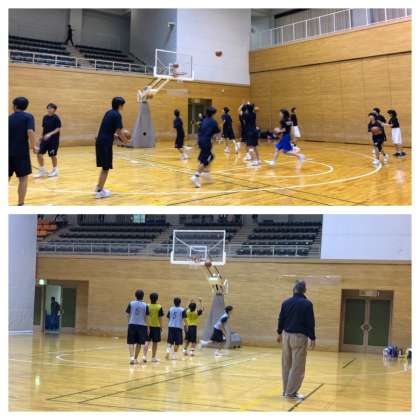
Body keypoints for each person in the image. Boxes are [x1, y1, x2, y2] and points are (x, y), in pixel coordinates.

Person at [277, 280, 315, 400]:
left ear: (294, 290)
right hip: (299, 337)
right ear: (304, 290)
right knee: (297, 366)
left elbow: (281, 318)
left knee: (286, 364)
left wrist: (279, 333)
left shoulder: (286, 302)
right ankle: (291, 392)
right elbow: (310, 322)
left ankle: (286, 390)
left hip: (286, 336)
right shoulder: (307, 304)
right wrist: (312, 337)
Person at [95, 97, 130, 199]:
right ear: (120, 105)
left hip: (100, 141)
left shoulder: (108, 112)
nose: (123, 107)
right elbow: (119, 131)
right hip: (105, 143)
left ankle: (98, 187)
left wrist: (115, 136)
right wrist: (125, 141)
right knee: (106, 168)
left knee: (104, 167)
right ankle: (99, 192)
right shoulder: (117, 115)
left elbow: (108, 129)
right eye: (123, 105)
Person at [9, 96, 36, 206]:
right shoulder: (28, 117)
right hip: (21, 153)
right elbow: (30, 131)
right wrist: (34, 146)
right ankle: (20, 204)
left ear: (15, 106)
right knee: (23, 179)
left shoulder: (9, 118)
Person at [191, 106, 220, 188]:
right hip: (206, 142)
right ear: (213, 114)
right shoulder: (213, 122)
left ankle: (206, 173)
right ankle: (196, 176)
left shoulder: (203, 120)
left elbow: (200, 129)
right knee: (206, 160)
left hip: (200, 141)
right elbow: (217, 134)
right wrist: (218, 138)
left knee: (209, 157)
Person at [34, 103, 61, 178]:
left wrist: (50, 134)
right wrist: (41, 137)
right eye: (48, 108)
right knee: (39, 153)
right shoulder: (45, 117)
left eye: (51, 108)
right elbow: (44, 128)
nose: (49, 109)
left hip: (53, 140)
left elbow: (58, 129)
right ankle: (42, 171)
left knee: (52, 155)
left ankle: (55, 170)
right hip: (45, 139)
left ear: (54, 110)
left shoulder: (56, 118)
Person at [125, 289, 149, 365]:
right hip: (142, 326)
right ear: (143, 296)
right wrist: (147, 327)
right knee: (139, 343)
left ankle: (131, 358)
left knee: (130, 342)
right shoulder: (145, 305)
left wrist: (129, 322)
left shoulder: (131, 303)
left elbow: (127, 314)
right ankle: (135, 358)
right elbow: (147, 317)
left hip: (132, 324)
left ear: (135, 295)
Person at [144, 292, 164, 363]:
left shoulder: (147, 306)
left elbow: (145, 316)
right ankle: (153, 357)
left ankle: (144, 356)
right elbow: (160, 318)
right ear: (157, 299)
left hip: (148, 326)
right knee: (155, 343)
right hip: (156, 327)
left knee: (147, 341)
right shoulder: (159, 307)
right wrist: (161, 326)